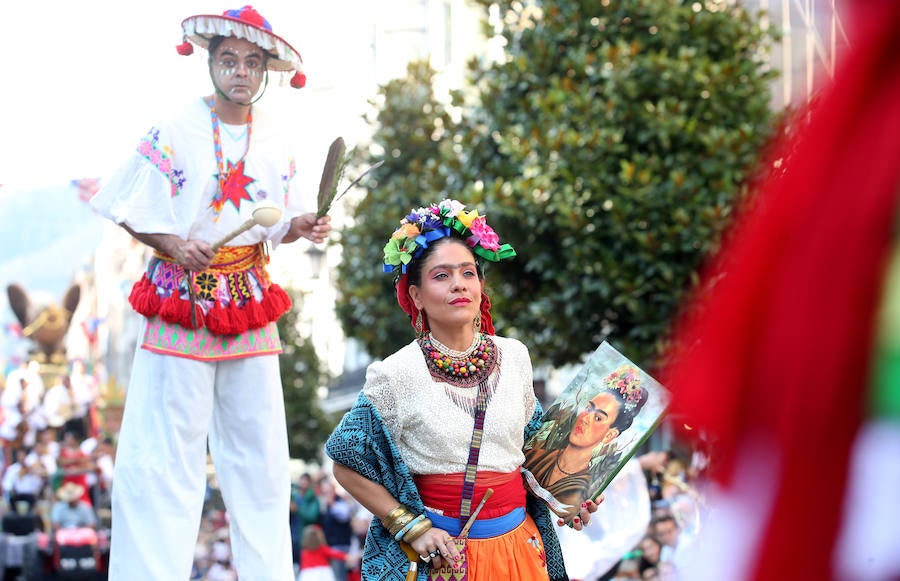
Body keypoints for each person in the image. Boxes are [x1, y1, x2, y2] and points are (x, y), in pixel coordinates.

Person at [88, 6, 331, 579]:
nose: (240, 71)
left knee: (263, 459)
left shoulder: (276, 135)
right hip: (181, 294)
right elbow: (124, 201)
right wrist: (170, 243)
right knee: (165, 458)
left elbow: (282, 220)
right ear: (209, 63)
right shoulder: (173, 127)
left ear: (267, 70)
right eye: (229, 60)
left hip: (247, 294)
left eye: (251, 62)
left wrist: (301, 226)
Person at [325, 199, 597, 581]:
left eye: (468, 273)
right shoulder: (396, 373)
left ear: (480, 285)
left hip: (521, 550)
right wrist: (410, 527)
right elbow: (345, 461)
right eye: (441, 276)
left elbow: (533, 451)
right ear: (416, 295)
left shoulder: (514, 355)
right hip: (447, 562)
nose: (458, 284)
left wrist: (571, 498)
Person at [523, 367, 649, 522]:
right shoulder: (535, 453)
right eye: (588, 408)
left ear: (610, 435)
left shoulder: (583, 491)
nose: (586, 418)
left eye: (598, 418)